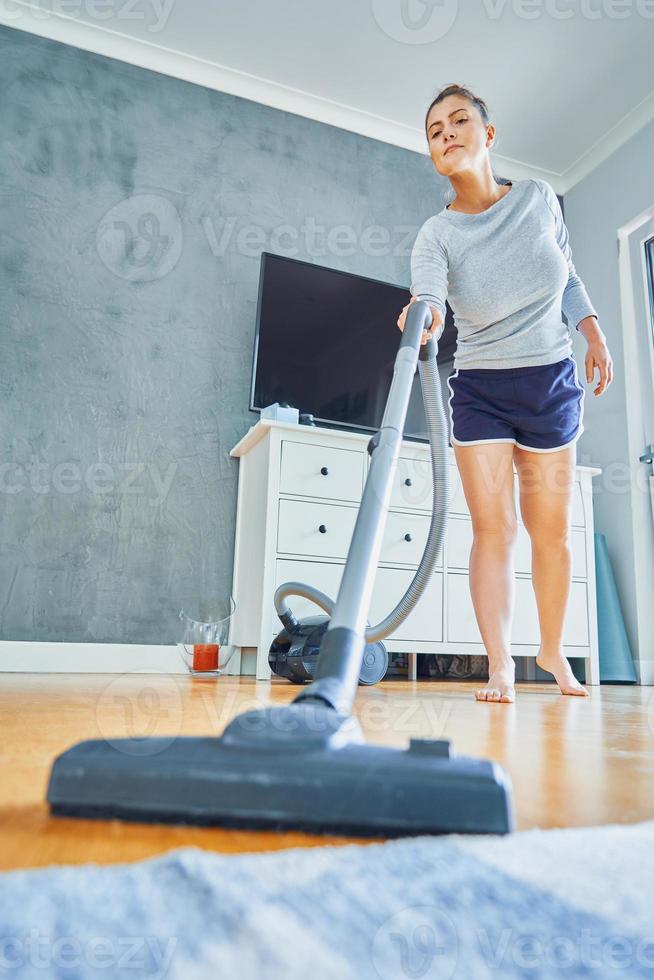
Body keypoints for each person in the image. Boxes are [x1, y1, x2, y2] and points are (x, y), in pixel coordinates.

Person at [397, 83, 613, 703]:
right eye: (435, 131)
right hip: (483, 388)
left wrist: (592, 330)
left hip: (550, 378)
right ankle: (499, 665)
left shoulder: (541, 199)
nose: (447, 134)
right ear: (434, 155)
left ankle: (553, 651)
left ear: (488, 135)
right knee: (495, 530)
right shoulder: (437, 234)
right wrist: (425, 317)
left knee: (552, 534)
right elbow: (431, 297)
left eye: (459, 121)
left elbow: (567, 273)